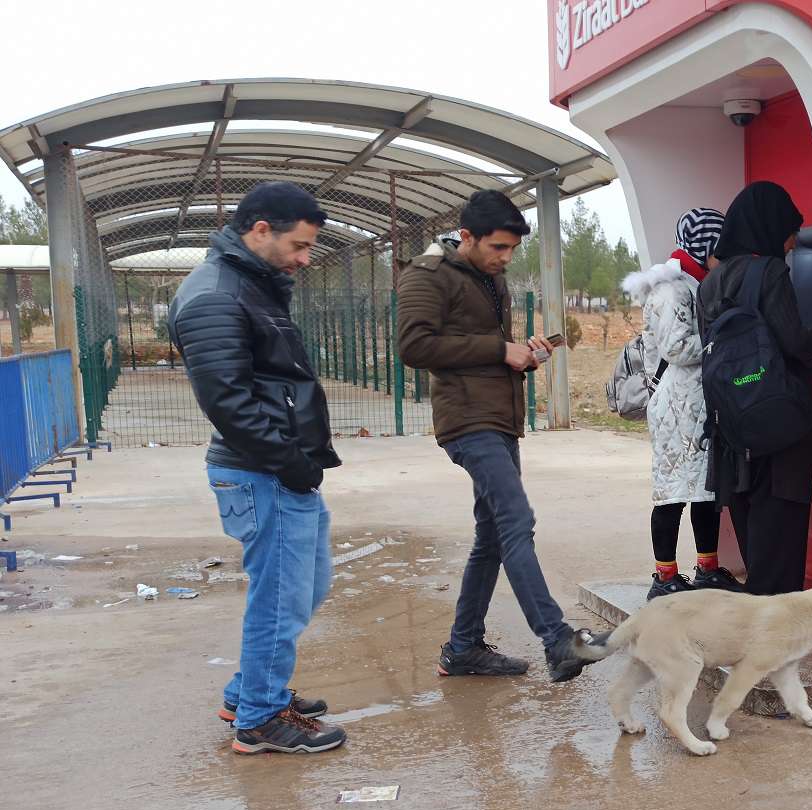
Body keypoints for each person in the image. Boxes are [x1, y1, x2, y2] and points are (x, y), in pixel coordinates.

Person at [169, 181, 346, 755]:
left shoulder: (250, 284)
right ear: (261, 230)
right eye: (299, 245)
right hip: (262, 470)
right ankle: (261, 719)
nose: (305, 258)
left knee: (306, 587)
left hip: (278, 467)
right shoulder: (216, 294)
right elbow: (227, 400)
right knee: (280, 599)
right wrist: (290, 462)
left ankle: (248, 692)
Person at [397, 189, 602, 683]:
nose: (506, 257)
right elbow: (414, 345)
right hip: (467, 422)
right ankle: (557, 639)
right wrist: (499, 350)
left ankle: (463, 648)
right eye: (499, 247)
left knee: (491, 536)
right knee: (515, 519)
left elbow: (486, 347)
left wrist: (524, 354)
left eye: (512, 249)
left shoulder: (491, 277)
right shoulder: (427, 275)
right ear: (466, 236)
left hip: (499, 417)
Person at [697, 182, 812, 596]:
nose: (792, 242)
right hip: (777, 426)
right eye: (790, 231)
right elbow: (794, 341)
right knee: (781, 538)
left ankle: (760, 611)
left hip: (732, 428)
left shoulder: (710, 282)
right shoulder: (770, 271)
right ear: (769, 227)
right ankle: (776, 621)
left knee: (755, 536)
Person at [623, 207, 745, 600]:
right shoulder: (671, 289)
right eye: (719, 248)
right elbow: (676, 348)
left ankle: (707, 569)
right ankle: (664, 578)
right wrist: (723, 340)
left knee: (705, 491)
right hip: (675, 406)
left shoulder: (694, 284)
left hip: (695, 402)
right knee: (673, 492)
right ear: (704, 245)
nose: (723, 256)